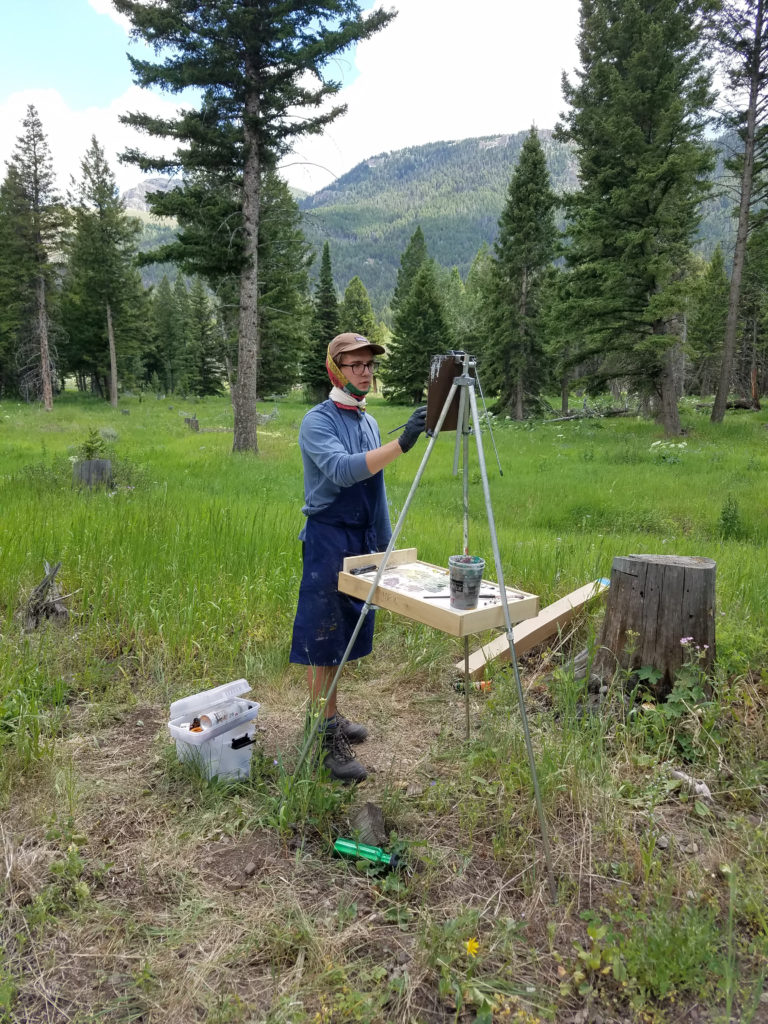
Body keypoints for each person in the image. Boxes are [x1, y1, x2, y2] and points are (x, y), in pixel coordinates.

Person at [289, 332, 427, 782]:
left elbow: (376, 489)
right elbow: (345, 472)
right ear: (335, 368)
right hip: (329, 538)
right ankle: (324, 733)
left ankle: (332, 713)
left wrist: (383, 544)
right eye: (356, 365)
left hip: (363, 537)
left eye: (370, 365)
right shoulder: (317, 421)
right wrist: (403, 443)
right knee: (324, 636)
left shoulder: (366, 420)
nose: (365, 372)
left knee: (345, 633)